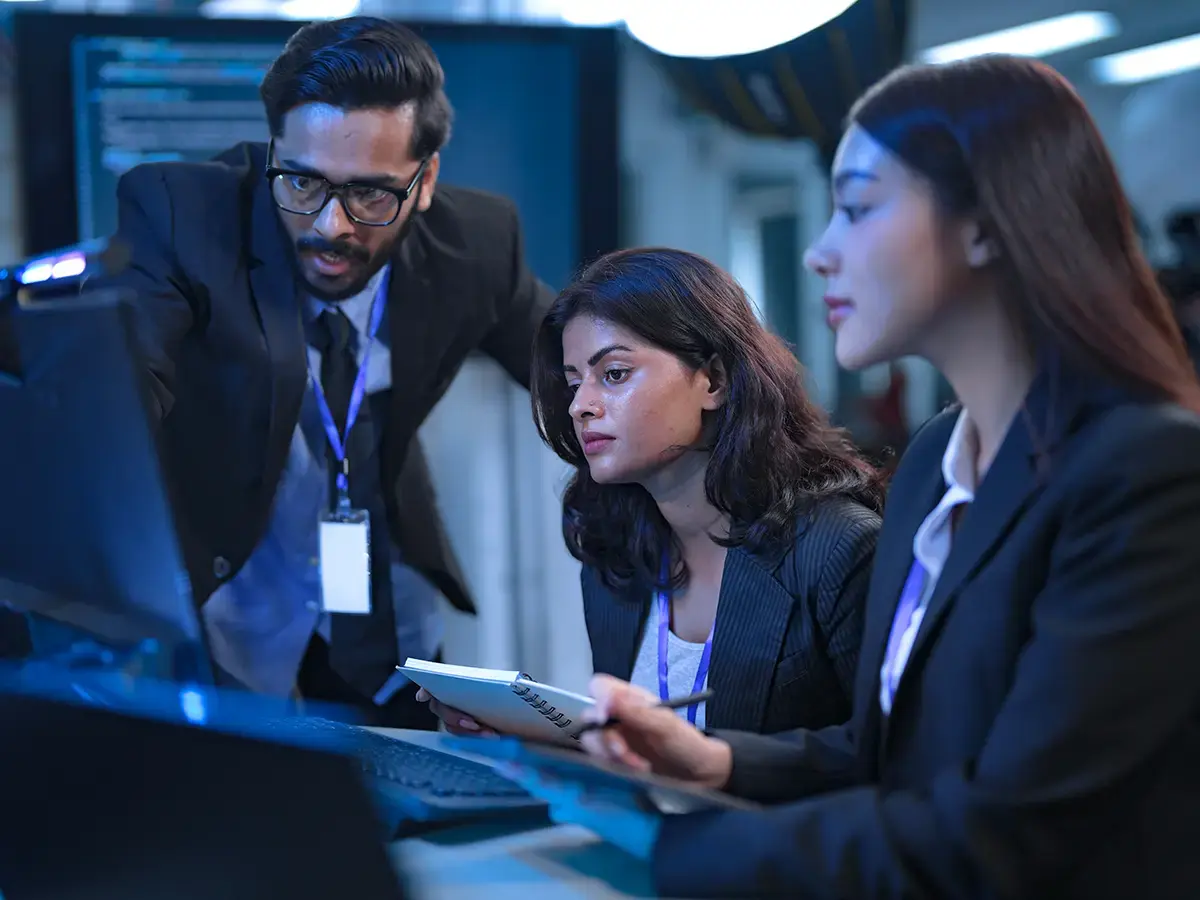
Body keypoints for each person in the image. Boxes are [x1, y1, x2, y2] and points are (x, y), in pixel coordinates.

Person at [500, 55, 1200, 898]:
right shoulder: (936, 466)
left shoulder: (1145, 470)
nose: (820, 255)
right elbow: (886, 755)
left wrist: (656, 857)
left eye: (858, 209)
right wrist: (714, 759)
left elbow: (1011, 829)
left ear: (985, 221)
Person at [102, 17, 554, 727]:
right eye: (302, 182)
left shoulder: (479, 244)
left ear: (426, 179)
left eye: (372, 194)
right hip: (235, 595)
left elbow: (576, 373)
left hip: (388, 607)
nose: (330, 227)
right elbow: (124, 382)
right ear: (273, 147)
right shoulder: (185, 216)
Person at [421, 248, 882, 736]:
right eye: (574, 383)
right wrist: (526, 733)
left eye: (614, 374)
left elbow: (881, 766)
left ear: (715, 381)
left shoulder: (841, 549)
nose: (580, 406)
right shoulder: (612, 550)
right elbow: (641, 761)